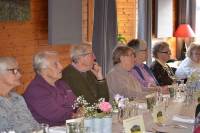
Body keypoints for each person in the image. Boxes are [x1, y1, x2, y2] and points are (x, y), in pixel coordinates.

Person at [23, 51, 76, 126]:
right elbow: (55, 115)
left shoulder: (61, 83)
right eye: (55, 64)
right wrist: (75, 114)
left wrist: (79, 109)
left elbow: (75, 101)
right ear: (43, 70)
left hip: (69, 124)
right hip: (51, 128)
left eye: (59, 63)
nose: (61, 67)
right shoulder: (36, 90)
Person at [0, 57, 39, 132]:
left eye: (19, 70)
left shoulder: (18, 98)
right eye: (14, 71)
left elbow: (33, 123)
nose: (20, 75)